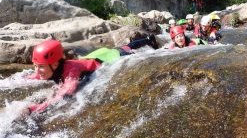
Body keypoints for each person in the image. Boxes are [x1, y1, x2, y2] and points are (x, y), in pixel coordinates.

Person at [22, 36, 159, 115]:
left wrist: (34, 108)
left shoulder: (71, 71)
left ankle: (148, 40)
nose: (37, 71)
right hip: (93, 57)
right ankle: (147, 40)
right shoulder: (51, 67)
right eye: (35, 66)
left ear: (55, 64)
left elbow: (65, 94)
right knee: (124, 46)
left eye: (40, 66)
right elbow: (31, 77)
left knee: (126, 49)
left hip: (111, 58)